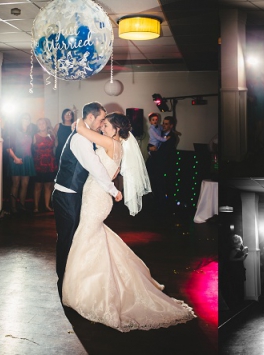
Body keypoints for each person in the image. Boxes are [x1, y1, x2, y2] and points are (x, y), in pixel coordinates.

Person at [61, 111, 193, 331]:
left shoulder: (110, 142)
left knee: (86, 236)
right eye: (102, 124)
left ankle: (88, 292)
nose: (102, 127)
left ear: (116, 129)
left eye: (106, 124)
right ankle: (94, 285)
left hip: (96, 198)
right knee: (94, 237)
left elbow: (82, 129)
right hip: (97, 195)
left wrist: (86, 115)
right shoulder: (117, 145)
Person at [53, 102, 122, 299]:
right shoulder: (81, 140)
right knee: (67, 238)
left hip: (75, 194)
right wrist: (112, 188)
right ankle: (64, 279)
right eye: (101, 120)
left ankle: (74, 277)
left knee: (76, 236)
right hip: (66, 195)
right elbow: (95, 167)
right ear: (90, 118)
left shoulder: (85, 135)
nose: (102, 125)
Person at [7, 114, 36, 213]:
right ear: (20, 120)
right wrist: (15, 158)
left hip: (27, 160)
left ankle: (22, 205)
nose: (27, 120)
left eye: (28, 118)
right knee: (16, 183)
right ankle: (13, 207)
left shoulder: (31, 132)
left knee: (25, 184)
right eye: (25, 118)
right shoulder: (14, 131)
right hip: (15, 159)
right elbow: (8, 147)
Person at [32, 117, 57, 213]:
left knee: (48, 185)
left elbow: (56, 146)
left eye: (43, 123)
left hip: (50, 163)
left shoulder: (52, 135)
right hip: (39, 163)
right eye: (39, 124)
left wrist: (53, 133)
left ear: (47, 124)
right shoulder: (35, 136)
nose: (42, 125)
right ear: (37, 126)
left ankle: (47, 205)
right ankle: (36, 207)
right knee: (38, 186)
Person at [227, 235, 249, 307]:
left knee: (240, 284)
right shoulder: (234, 250)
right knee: (237, 285)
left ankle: (240, 301)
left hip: (239, 268)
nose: (240, 243)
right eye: (239, 241)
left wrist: (244, 254)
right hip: (235, 269)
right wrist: (241, 258)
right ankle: (237, 302)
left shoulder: (239, 250)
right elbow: (230, 259)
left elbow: (242, 259)